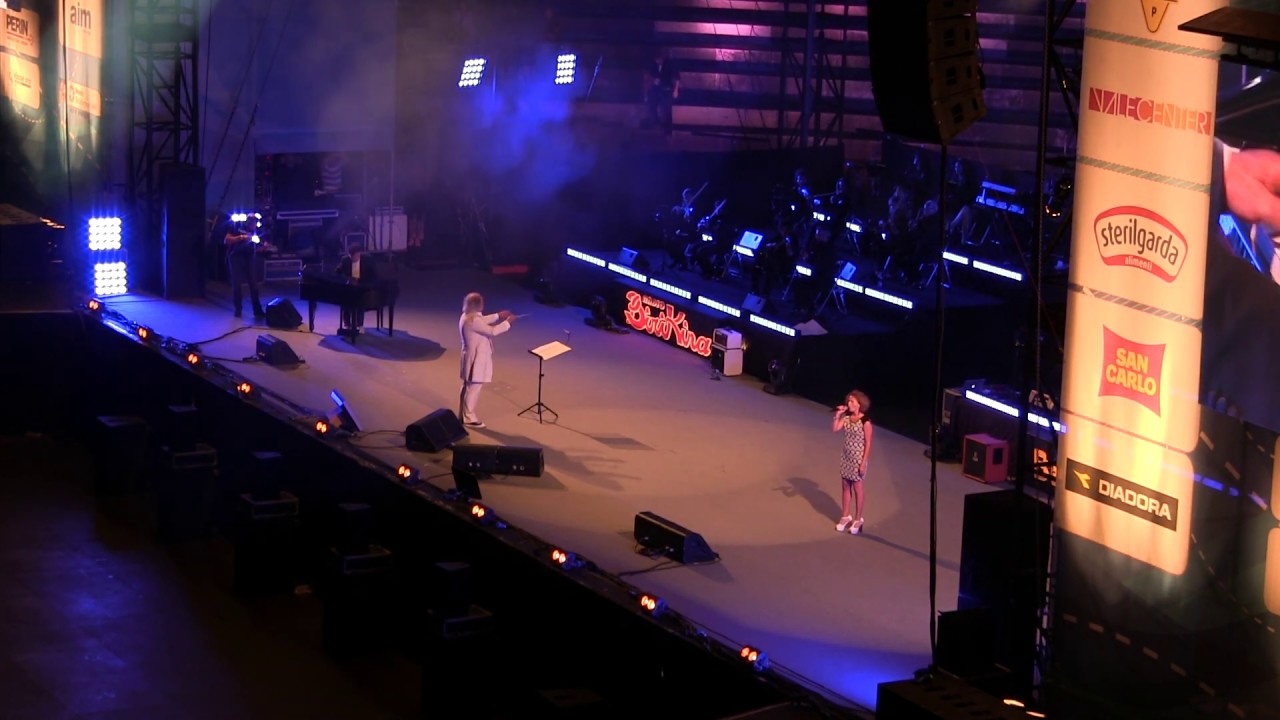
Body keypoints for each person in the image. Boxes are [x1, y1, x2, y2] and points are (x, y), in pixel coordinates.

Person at [458, 292, 515, 429]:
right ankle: (469, 417)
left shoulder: (468, 316)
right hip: (476, 357)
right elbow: (492, 331)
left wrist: (497, 316)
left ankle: (464, 414)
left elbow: (482, 321)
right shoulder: (473, 320)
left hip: (471, 355)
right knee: (474, 387)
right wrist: (507, 323)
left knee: (469, 386)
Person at [832, 389, 874, 535]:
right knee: (845, 486)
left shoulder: (865, 422)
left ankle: (858, 519)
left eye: (852, 401)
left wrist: (863, 463)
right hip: (846, 458)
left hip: (858, 459)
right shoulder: (847, 418)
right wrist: (837, 415)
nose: (849, 403)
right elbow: (835, 429)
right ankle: (845, 516)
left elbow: (868, 443)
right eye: (848, 401)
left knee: (857, 488)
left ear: (859, 404)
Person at [225, 222, 264, 320]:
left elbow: (261, 245)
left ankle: (257, 310)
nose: (253, 222)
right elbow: (227, 240)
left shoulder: (259, 230)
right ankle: (238, 309)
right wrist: (242, 237)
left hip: (249, 256)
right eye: (251, 220)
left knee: (253, 283)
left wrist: (263, 247)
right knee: (236, 282)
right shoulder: (237, 227)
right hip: (235, 256)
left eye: (254, 220)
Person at [336, 242, 378, 333]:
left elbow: (374, 275)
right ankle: (347, 324)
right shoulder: (345, 260)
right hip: (349, 286)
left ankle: (360, 325)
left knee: (360, 302)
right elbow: (337, 273)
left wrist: (365, 283)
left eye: (354, 256)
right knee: (344, 301)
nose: (353, 259)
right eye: (351, 257)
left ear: (358, 254)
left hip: (363, 286)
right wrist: (347, 279)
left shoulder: (367, 260)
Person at [643, 48, 680, 135]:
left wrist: (676, 90)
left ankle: (668, 131)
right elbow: (647, 78)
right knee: (651, 106)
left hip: (666, 90)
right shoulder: (653, 65)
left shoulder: (669, 64)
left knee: (667, 111)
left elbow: (677, 77)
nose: (658, 61)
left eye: (659, 60)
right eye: (656, 60)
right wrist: (653, 82)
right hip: (656, 90)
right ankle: (656, 125)